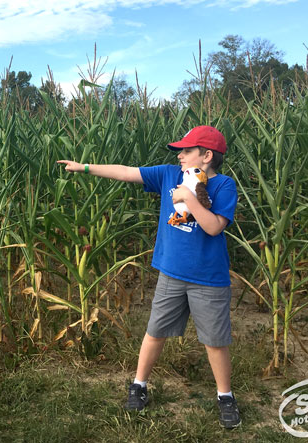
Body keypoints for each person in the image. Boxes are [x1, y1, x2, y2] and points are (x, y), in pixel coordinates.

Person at [56, 125, 240, 429]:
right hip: (171, 273)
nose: (180, 156)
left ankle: (225, 396)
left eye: (187, 150)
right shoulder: (169, 174)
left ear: (207, 156)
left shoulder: (223, 186)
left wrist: (189, 199)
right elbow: (126, 172)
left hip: (208, 278)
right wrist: (84, 167)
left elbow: (213, 227)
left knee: (215, 341)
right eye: (180, 151)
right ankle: (139, 386)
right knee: (155, 331)